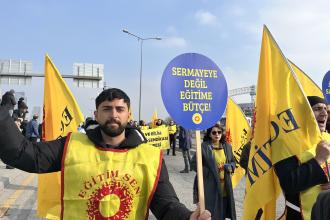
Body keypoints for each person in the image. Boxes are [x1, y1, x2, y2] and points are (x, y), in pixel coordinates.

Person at [0, 88, 211, 220]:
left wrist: (187, 217)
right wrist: (2, 117)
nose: (114, 115)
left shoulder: (150, 156)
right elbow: (23, 154)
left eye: (120, 109)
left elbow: (166, 205)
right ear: (96, 114)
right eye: (107, 109)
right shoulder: (71, 145)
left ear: (129, 114)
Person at [274, 96, 330, 220]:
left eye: (325, 109)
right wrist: (318, 159)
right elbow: (288, 184)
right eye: (317, 109)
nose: (324, 113)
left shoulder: (328, 137)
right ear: (304, 113)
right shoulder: (286, 142)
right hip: (300, 215)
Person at [191, 124, 236, 220]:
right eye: (214, 132)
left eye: (219, 132)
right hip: (210, 186)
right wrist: (210, 172)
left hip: (225, 186)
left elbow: (233, 162)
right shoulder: (204, 147)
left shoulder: (227, 146)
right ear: (210, 134)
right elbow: (194, 163)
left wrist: (230, 166)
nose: (217, 134)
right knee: (211, 211)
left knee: (223, 210)